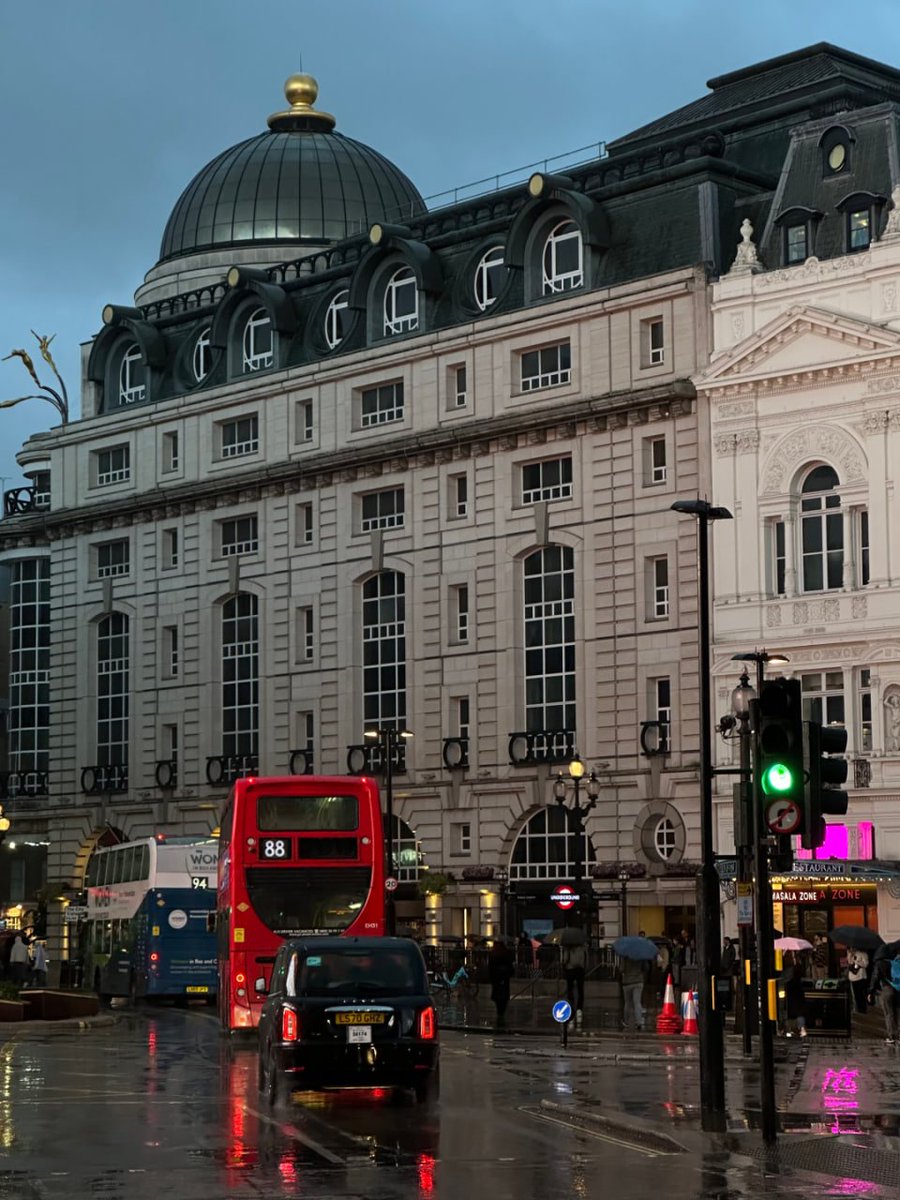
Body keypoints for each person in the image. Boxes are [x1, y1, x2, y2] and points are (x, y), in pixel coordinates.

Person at [868, 953, 900, 1044]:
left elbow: (875, 978)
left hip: (887, 989)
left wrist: (871, 991)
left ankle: (892, 1036)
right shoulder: (895, 962)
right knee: (898, 1012)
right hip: (898, 989)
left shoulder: (880, 964)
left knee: (889, 1013)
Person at [561, 932, 587, 1029]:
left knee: (570, 990)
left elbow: (565, 959)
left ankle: (571, 1008)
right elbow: (585, 960)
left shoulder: (568, 949)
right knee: (580, 990)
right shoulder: (582, 948)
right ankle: (579, 1009)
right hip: (580, 970)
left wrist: (564, 963)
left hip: (570, 970)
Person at [487, 939, 515, 1028]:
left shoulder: (493, 954)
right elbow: (510, 967)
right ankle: (501, 1013)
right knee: (503, 998)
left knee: (498, 998)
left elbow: (490, 968)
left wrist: (491, 978)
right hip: (504, 979)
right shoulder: (505, 953)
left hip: (496, 979)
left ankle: (500, 1013)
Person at [621, 954, 649, 1032]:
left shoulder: (625, 956)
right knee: (637, 1002)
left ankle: (626, 1022)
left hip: (627, 982)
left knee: (627, 1003)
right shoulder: (641, 956)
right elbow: (646, 968)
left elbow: (621, 969)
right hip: (638, 981)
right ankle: (639, 1022)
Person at [783, 962, 807, 1037]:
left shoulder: (789, 983)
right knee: (800, 1017)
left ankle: (791, 1031)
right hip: (798, 1007)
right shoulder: (799, 984)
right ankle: (802, 1030)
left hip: (791, 1006)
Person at [847, 950, 869, 1016]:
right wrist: (850, 956)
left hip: (861, 977)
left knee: (861, 994)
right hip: (853, 978)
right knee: (856, 995)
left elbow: (866, 964)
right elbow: (849, 962)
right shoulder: (851, 953)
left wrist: (857, 962)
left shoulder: (863, 954)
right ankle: (858, 1009)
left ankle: (863, 1009)